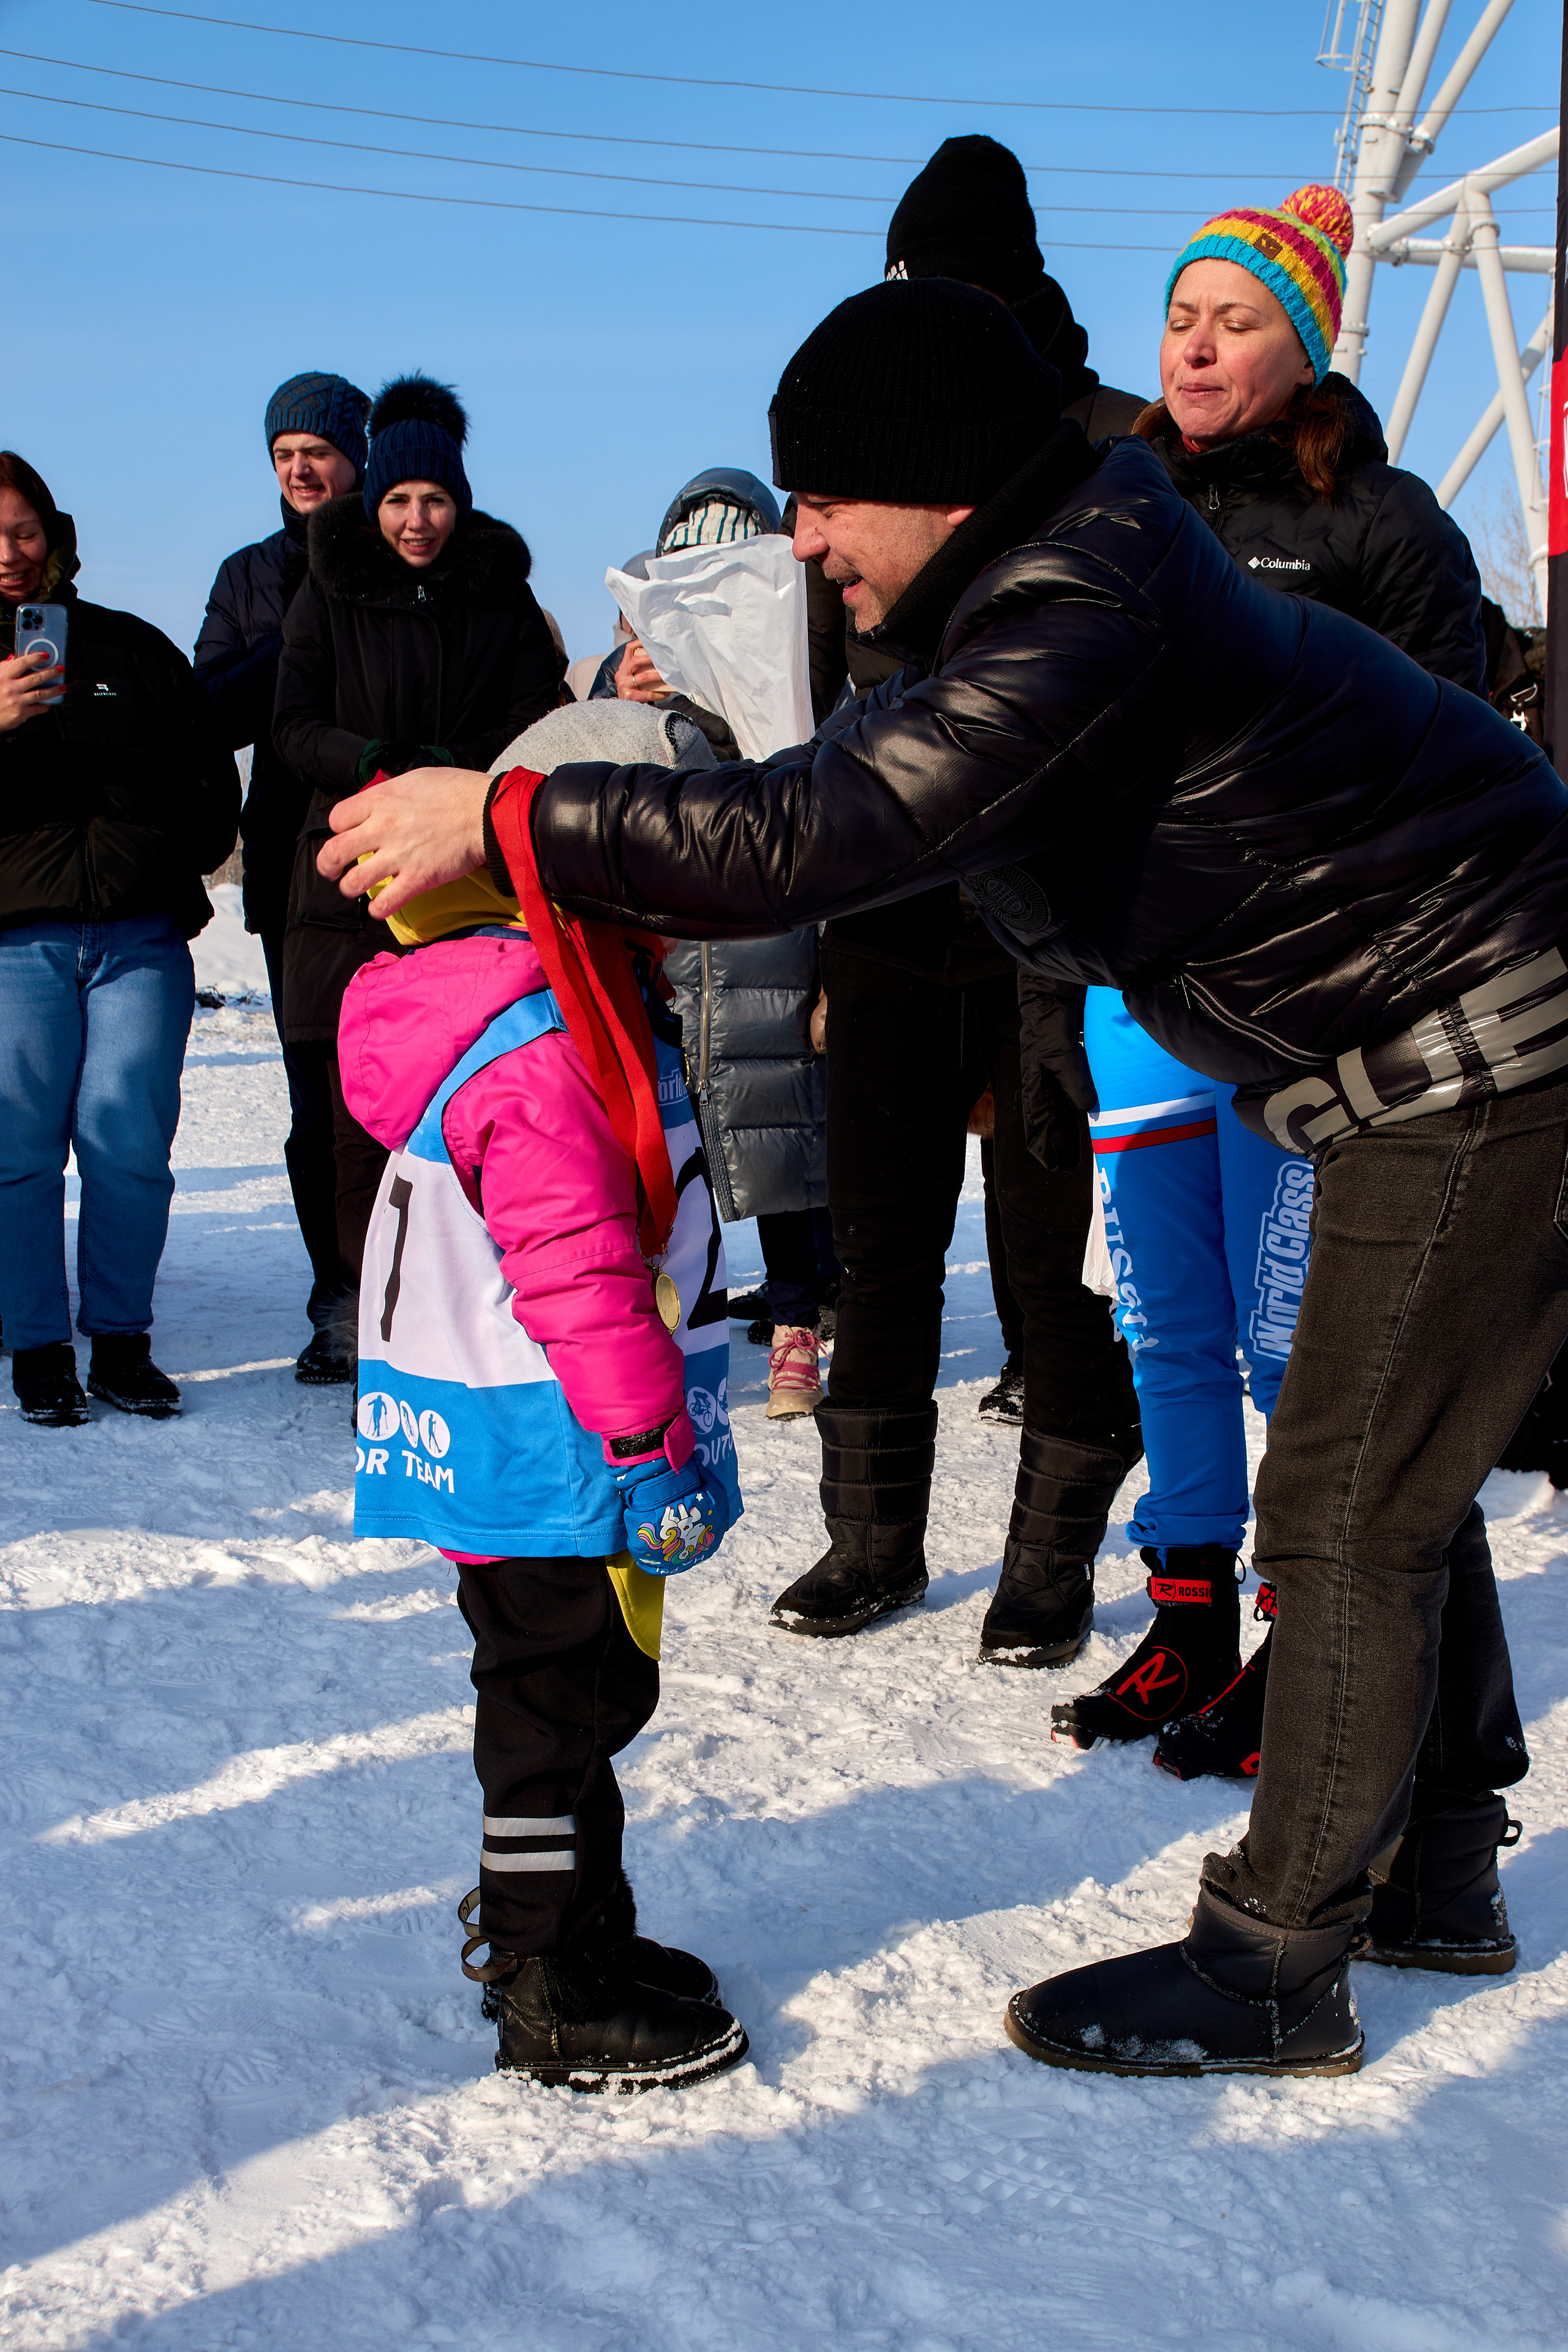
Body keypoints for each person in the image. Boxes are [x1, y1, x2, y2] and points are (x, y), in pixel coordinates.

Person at [325, 275, 1566, 2078]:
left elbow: (826, 832)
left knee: (1346, 1507)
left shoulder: (1083, 592)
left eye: (821, 495)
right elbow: (855, 798)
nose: (803, 533)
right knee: (1404, 1462)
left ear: (930, 476)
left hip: (1479, 1041)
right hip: (1412, 1047)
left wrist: (507, 815)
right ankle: (1441, 1868)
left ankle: (1274, 1963)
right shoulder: (1048, 578)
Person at [1052, 183, 1492, 1773]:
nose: (1198, 346)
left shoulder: (1384, 523)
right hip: (1139, 993)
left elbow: (1454, 753)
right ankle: (1188, 1631)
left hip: (1307, 1002)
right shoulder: (1111, 506)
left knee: (1288, 1337)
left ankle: (1310, 1652)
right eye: (1182, 317)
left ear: (1301, 350)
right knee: (1167, 1326)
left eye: (1237, 321)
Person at [336, 720, 747, 2090]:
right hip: (555, 1441)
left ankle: (584, 1927)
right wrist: (645, 1444)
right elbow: (574, 1269)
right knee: (554, 1711)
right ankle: (540, 1975)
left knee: (582, 1695)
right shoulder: (531, 1041)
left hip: (531, 1433)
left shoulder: (535, 995)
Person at [273, 374, 560, 1371]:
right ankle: (377, 1327)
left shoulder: (502, 594)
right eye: (397, 501)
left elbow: (539, 719)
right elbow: (293, 724)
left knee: (477, 1106)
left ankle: (480, 1325)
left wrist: (458, 784)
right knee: (362, 1122)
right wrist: (374, 767)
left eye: (434, 500)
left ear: (460, 502)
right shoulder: (329, 587)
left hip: (471, 888)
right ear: (372, 505)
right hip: (353, 879)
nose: (416, 520)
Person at [0, 451, 239, 1425]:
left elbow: (210, 782)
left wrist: (161, 853)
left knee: (129, 1142)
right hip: (16, 940)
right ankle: (36, 1345)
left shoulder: (134, 649)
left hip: (138, 936)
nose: (11, 553)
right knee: (17, 1149)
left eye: (23, 530)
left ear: (56, 536)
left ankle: (122, 1341)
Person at [605, 466, 834, 1420]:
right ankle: (665, 1318)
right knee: (666, 1141)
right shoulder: (628, 660)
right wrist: (617, 691)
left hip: (765, 937)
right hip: (669, 939)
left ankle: (797, 1326)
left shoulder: (799, 653)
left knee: (781, 1134)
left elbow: (808, 761)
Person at [194, 371, 371, 1382]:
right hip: (289, 864)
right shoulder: (249, 576)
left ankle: (421, 1294)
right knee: (318, 1106)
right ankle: (339, 1300)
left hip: (391, 856)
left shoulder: (400, 552)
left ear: (357, 455)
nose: (301, 467)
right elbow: (208, 710)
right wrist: (296, 636)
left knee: (413, 1095)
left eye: (318, 449)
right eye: (283, 454)